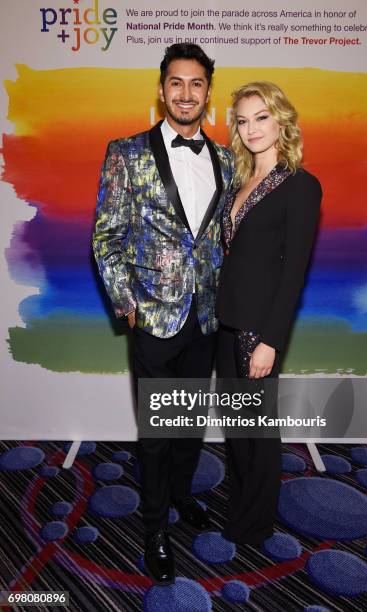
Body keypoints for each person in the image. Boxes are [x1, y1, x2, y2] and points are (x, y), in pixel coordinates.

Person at [92, 43, 234, 584]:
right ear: (161, 88)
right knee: (156, 432)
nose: (186, 94)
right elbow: (106, 236)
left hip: (207, 318)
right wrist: (125, 302)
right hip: (153, 318)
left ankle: (179, 494)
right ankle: (154, 529)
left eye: (196, 84)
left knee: (190, 423)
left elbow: (220, 239)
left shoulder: (224, 158)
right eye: (176, 82)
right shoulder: (126, 153)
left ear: (206, 92)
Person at [216, 81, 322, 545]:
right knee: (238, 429)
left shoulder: (300, 184)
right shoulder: (238, 180)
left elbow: (294, 270)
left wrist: (271, 340)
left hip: (258, 329)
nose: (252, 127)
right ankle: (242, 508)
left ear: (281, 119)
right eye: (243, 119)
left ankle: (254, 526)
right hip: (225, 320)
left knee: (256, 433)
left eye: (261, 116)